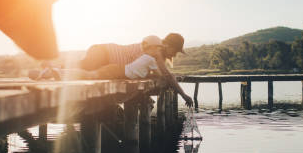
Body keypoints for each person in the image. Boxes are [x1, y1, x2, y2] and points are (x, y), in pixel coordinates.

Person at [32, 35, 194, 107]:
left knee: (84, 68)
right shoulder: (157, 50)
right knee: (85, 66)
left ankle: (50, 70)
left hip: (109, 60)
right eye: (176, 50)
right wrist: (184, 95)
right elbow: (167, 75)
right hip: (105, 53)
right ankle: (52, 67)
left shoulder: (156, 53)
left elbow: (161, 73)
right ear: (169, 45)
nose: (175, 54)